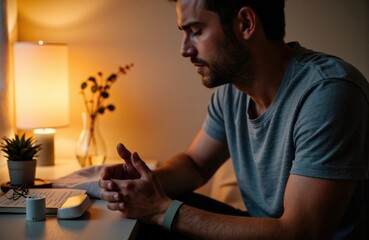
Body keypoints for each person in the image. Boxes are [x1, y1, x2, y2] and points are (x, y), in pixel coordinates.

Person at [99, 0, 369, 239]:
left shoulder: (328, 91)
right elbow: (195, 164)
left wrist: (161, 210)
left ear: (245, 23)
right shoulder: (231, 93)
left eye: (195, 32)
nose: (184, 50)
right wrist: (144, 182)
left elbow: (301, 231)